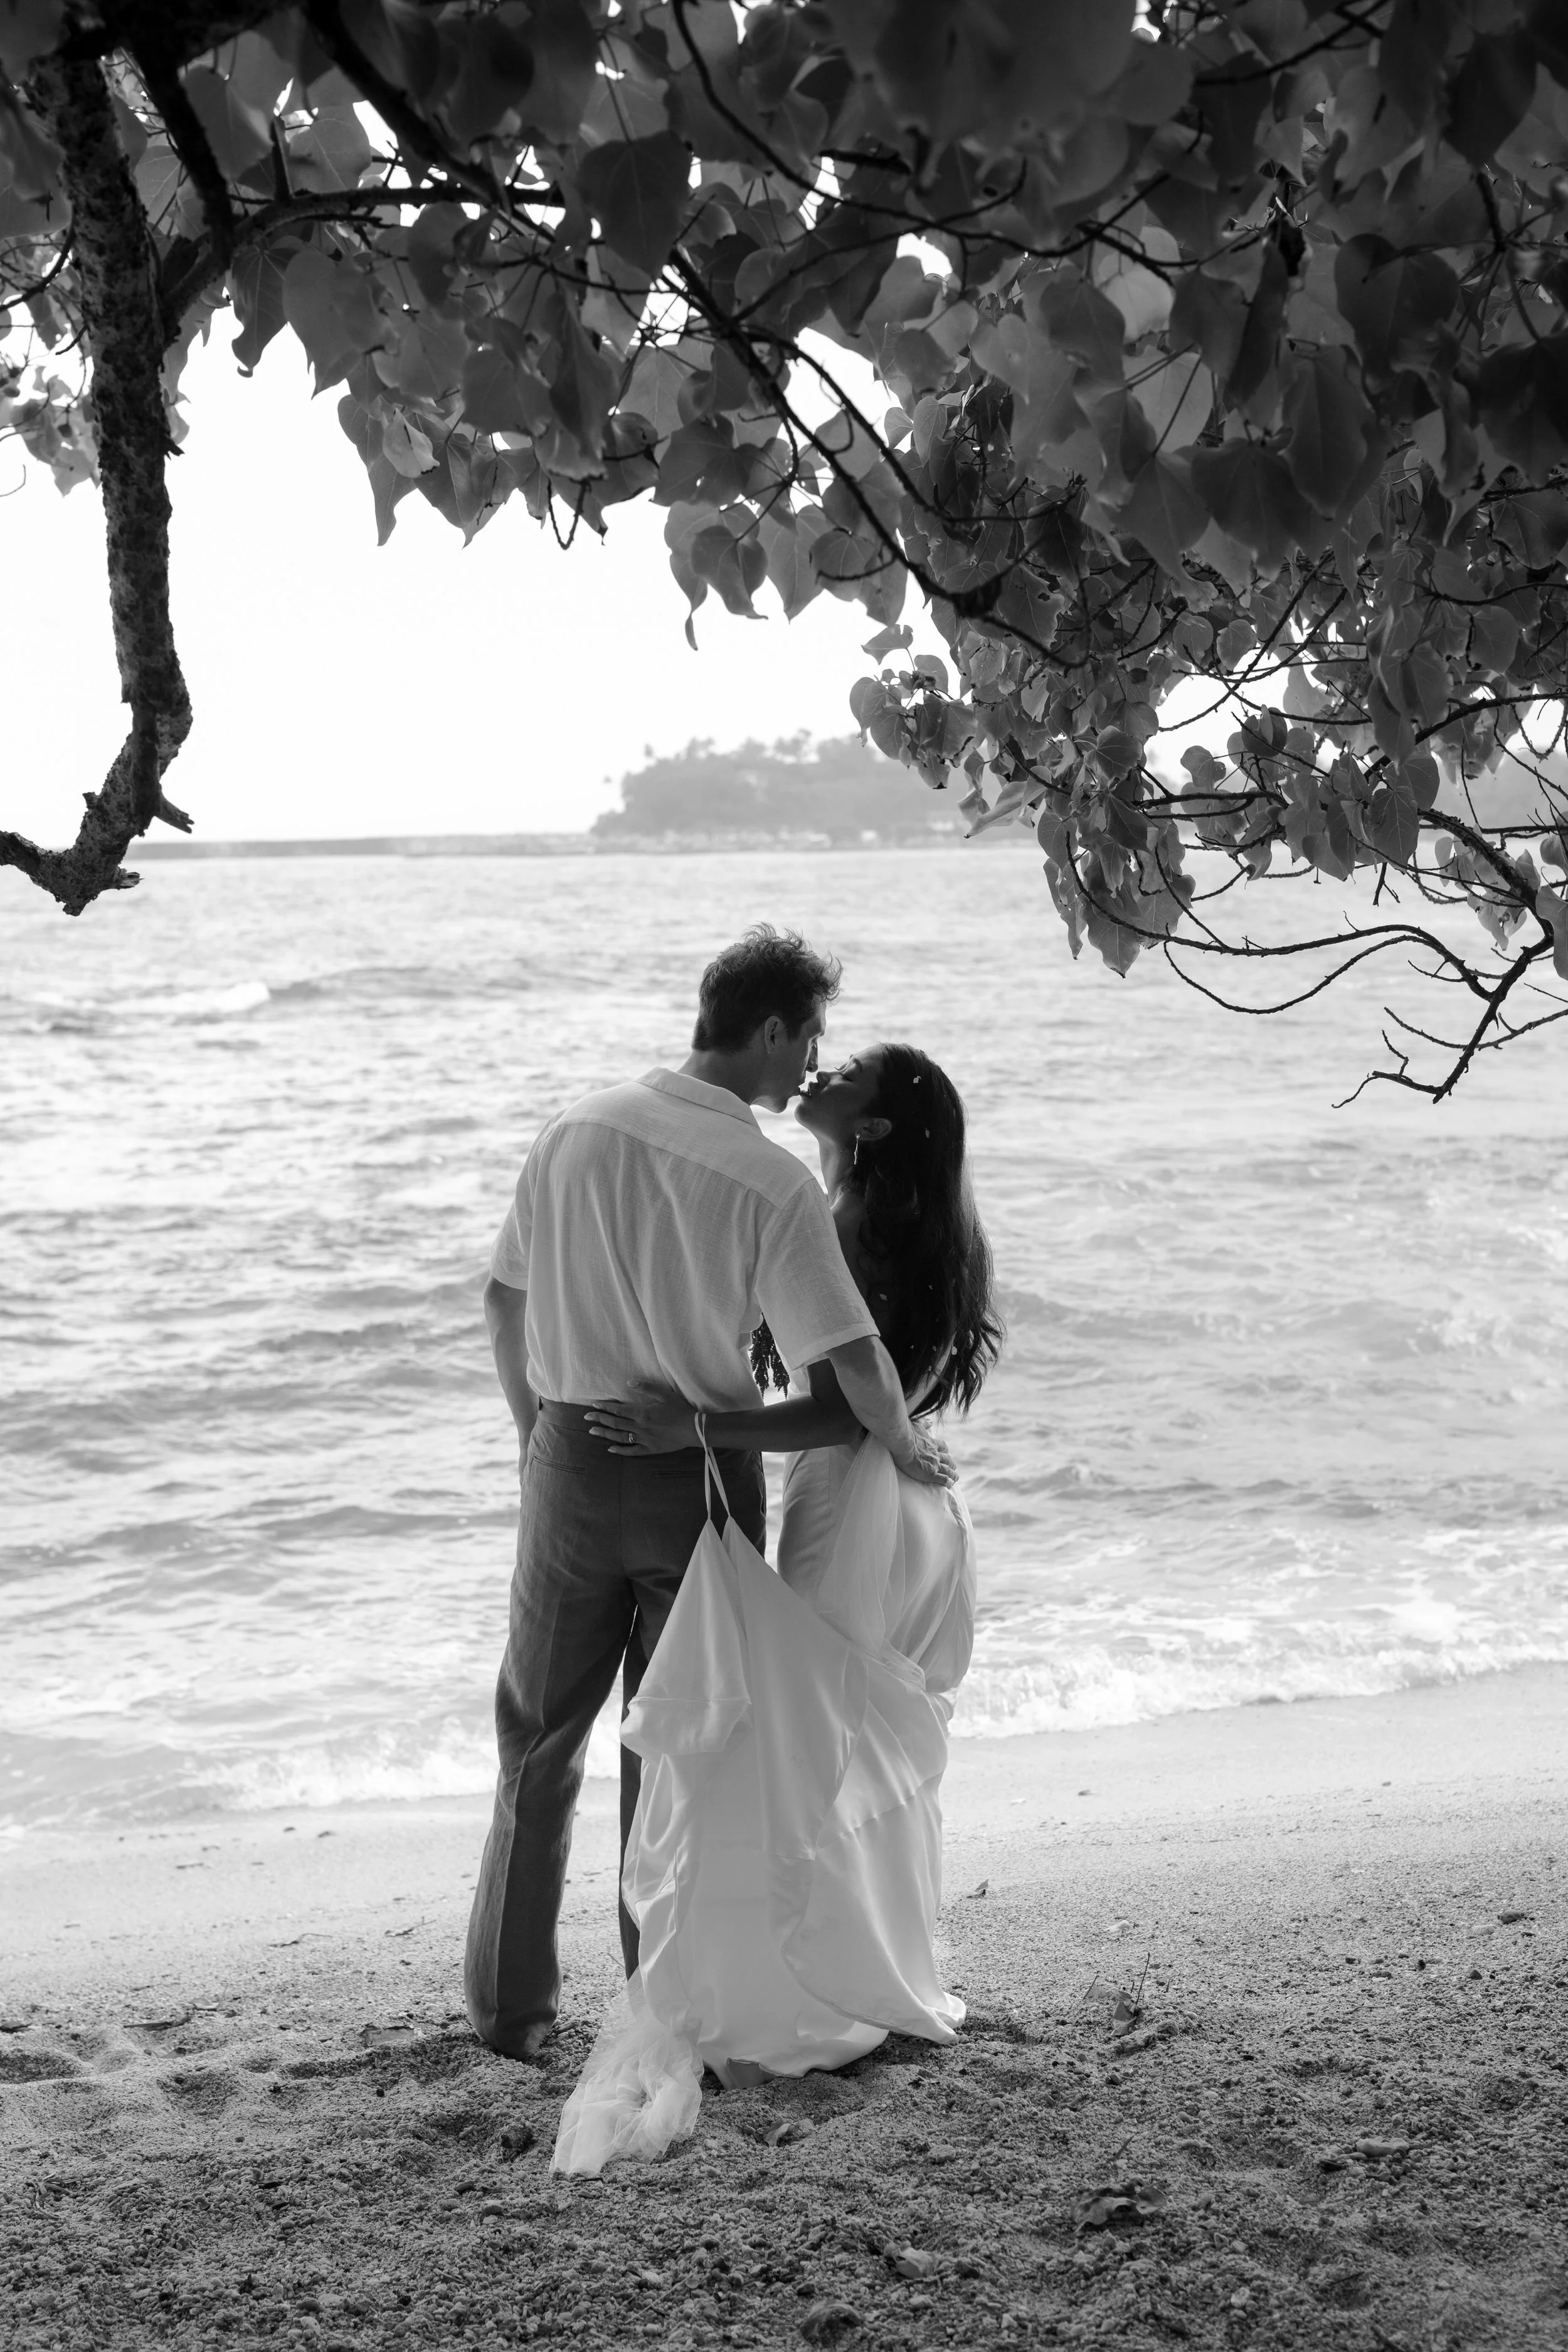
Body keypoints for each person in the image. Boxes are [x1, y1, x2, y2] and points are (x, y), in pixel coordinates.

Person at [465, 931, 951, 2061]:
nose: (807, 1070)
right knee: (680, 1747)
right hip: (697, 1479)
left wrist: (538, 1441)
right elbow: (853, 1365)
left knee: (537, 1740)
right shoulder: (770, 1180)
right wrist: (903, 1439)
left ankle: (509, 2011)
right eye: (809, 1040)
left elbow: (501, 1300)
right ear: (773, 1029)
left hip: (572, 1461)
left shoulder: (573, 1125)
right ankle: (664, 2001)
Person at [553, 1042, 1002, 2171]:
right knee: (836, 1740)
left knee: (801, 1739)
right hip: (906, 1509)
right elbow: (879, 1408)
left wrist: (691, 1427)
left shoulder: (844, 1223)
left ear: (880, 1128)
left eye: (843, 1071)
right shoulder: (924, 1225)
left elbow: (842, 1416)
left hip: (850, 1497)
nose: (819, 1071)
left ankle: (806, 1991)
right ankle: (864, 1966)